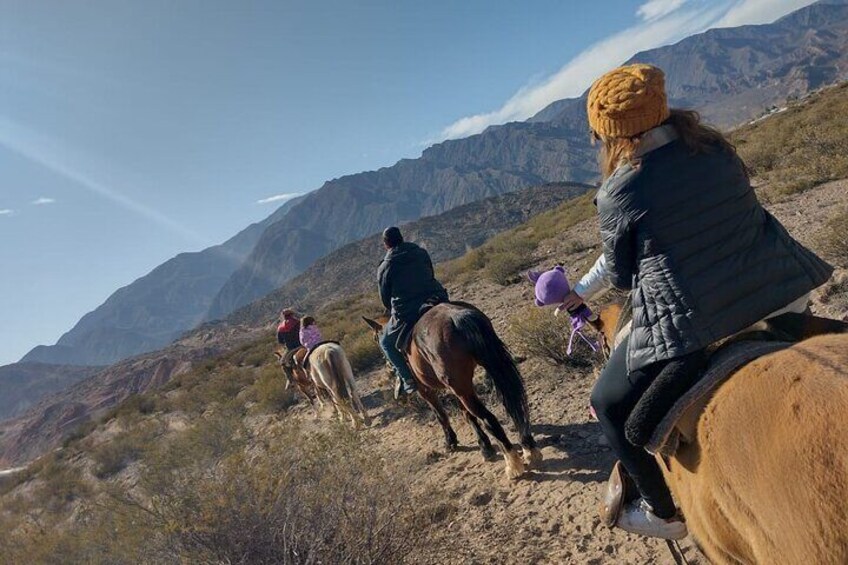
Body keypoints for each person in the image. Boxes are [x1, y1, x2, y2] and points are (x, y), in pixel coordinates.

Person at [567, 64, 833, 540]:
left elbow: (626, 278)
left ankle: (662, 511)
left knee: (607, 404)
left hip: (696, 326)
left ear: (608, 136)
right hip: (781, 292)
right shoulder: (714, 148)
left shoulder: (618, 192)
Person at [377, 226, 448, 399]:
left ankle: (407, 379)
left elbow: (385, 299)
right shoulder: (420, 252)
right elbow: (430, 272)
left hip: (408, 310)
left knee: (386, 342)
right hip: (436, 297)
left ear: (386, 244)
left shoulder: (386, 266)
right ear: (401, 238)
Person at [276, 308, 303, 383]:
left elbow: (280, 341)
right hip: (303, 345)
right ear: (292, 314)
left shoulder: (280, 328)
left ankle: (291, 381)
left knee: (283, 363)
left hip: (291, 348)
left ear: (284, 317)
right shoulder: (298, 322)